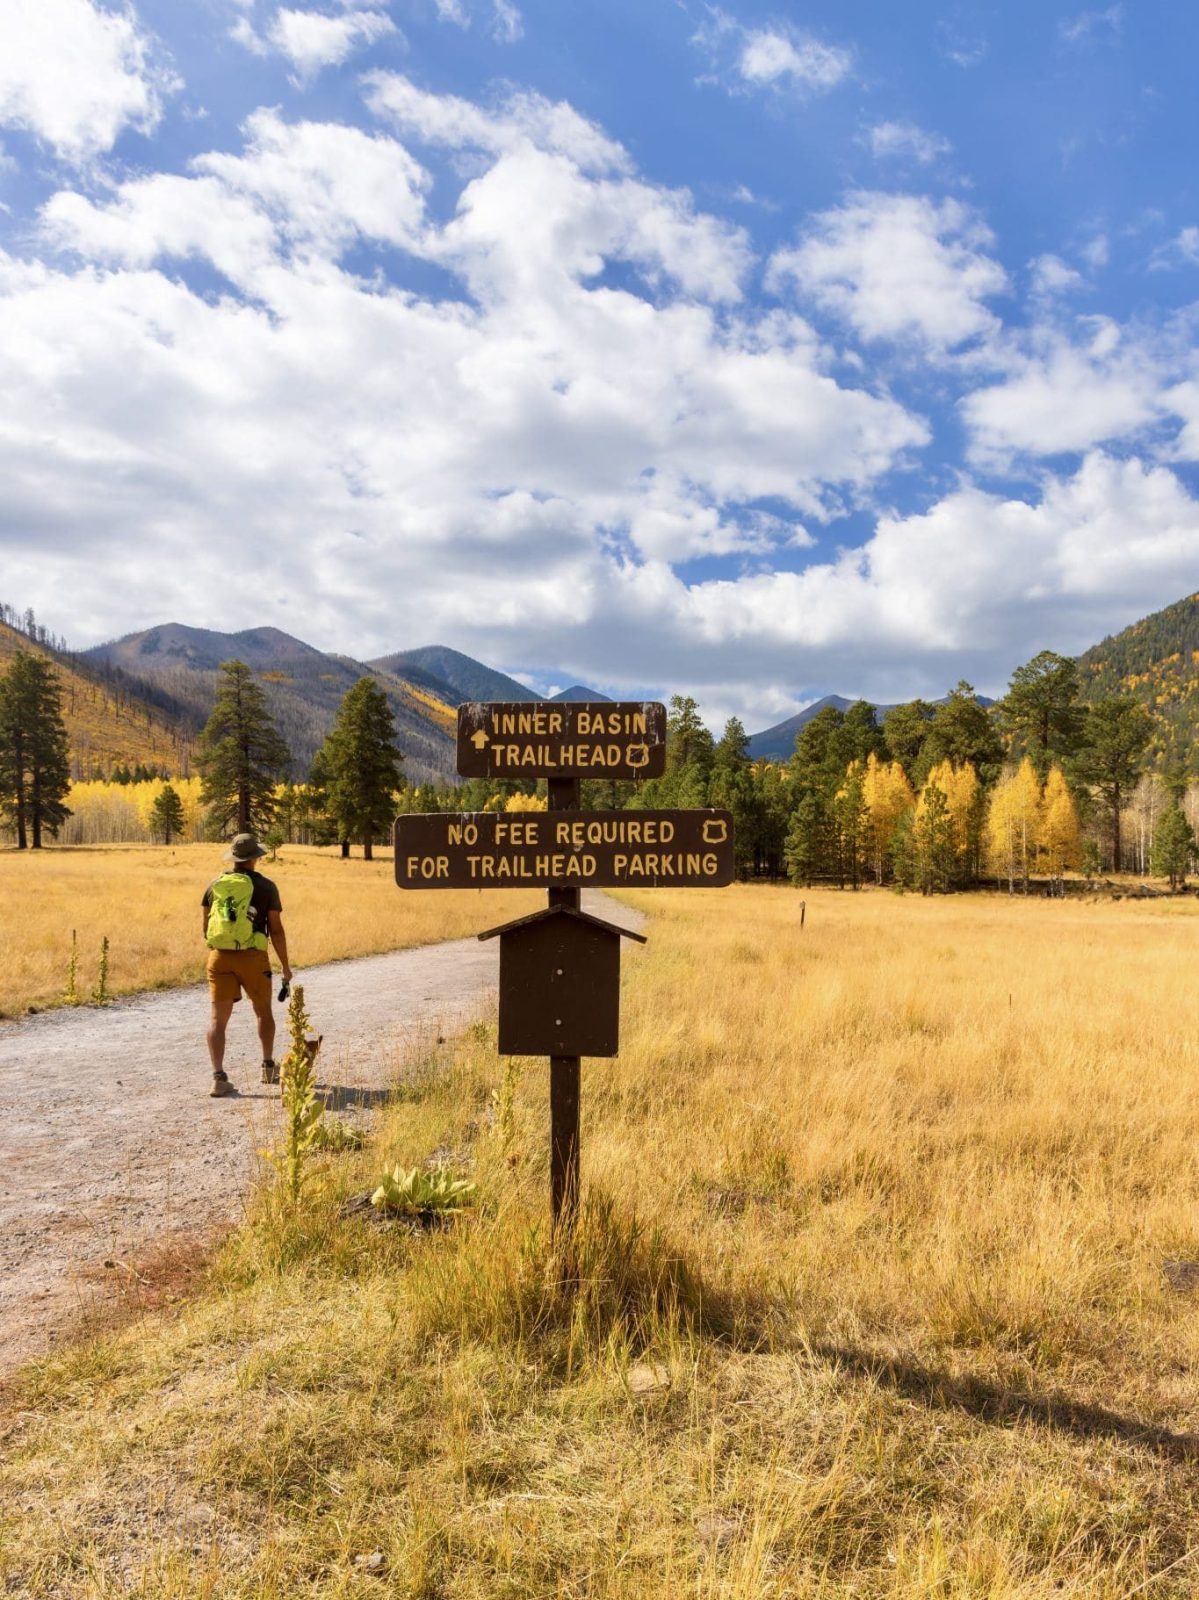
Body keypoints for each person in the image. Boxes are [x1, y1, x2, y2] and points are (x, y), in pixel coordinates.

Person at [202, 833, 293, 1097]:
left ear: (234, 858)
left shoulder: (214, 885)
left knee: (218, 1021)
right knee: (264, 1013)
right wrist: (285, 966)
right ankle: (267, 1067)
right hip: (253, 957)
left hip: (219, 957)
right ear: (255, 858)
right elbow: (275, 930)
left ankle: (218, 1078)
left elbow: (205, 928)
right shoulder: (266, 887)